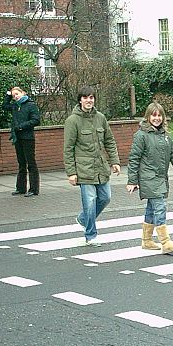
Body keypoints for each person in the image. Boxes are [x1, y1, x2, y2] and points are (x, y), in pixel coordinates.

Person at [126, 101, 173, 254]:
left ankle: (146, 240)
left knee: (151, 209)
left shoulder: (166, 136)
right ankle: (165, 242)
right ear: (148, 117)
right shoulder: (141, 135)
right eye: (154, 115)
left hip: (161, 178)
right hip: (148, 178)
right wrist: (132, 181)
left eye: (159, 115)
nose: (157, 118)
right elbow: (134, 158)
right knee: (159, 207)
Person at [63, 86, 121, 246]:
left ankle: (83, 219)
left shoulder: (100, 118)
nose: (89, 101)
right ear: (80, 100)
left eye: (91, 98)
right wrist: (71, 172)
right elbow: (68, 148)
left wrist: (115, 161)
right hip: (84, 169)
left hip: (101, 168)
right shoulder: (72, 121)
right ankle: (90, 235)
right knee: (90, 201)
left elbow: (109, 140)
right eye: (85, 98)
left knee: (105, 197)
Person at [3, 86, 40, 197]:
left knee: (31, 163)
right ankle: (21, 188)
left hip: (28, 137)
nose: (16, 97)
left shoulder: (31, 105)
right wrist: (8, 95)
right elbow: (4, 106)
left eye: (17, 94)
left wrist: (21, 127)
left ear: (22, 93)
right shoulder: (15, 106)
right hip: (18, 137)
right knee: (21, 163)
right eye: (14, 96)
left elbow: (36, 120)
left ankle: (34, 189)